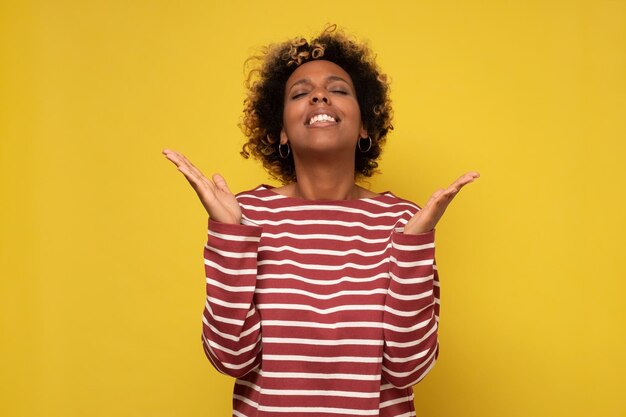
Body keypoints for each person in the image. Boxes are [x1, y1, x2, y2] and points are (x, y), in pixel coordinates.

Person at [163, 25, 479, 417]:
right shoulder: (245, 215)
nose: (318, 95)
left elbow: (408, 368)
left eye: (339, 89)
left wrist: (414, 245)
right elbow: (231, 358)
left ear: (365, 124)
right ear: (280, 131)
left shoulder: (401, 220)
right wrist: (231, 237)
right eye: (299, 93)